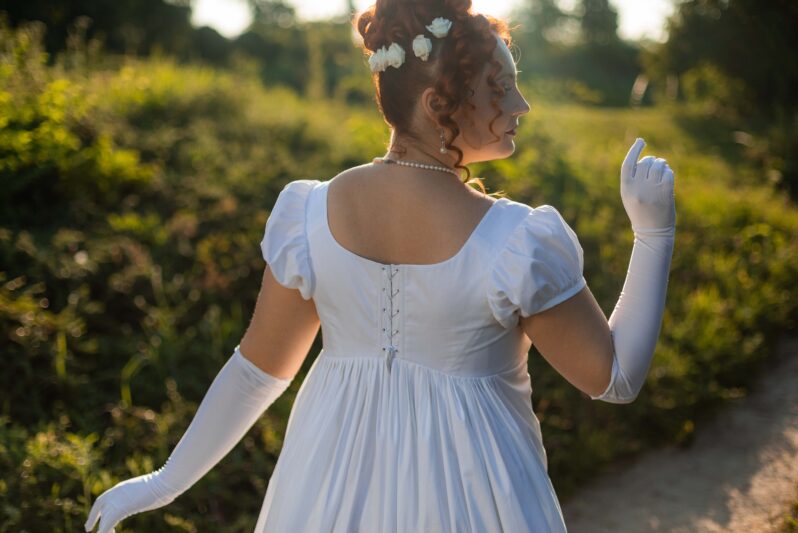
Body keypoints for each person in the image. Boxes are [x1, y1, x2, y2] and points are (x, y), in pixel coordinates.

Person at [84, 1, 676, 531]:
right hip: (478, 502)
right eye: (501, 88)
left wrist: (164, 480)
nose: (522, 105)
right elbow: (615, 378)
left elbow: (256, 372)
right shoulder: (517, 242)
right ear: (437, 103)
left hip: (324, 498)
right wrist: (654, 231)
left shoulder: (308, 216)